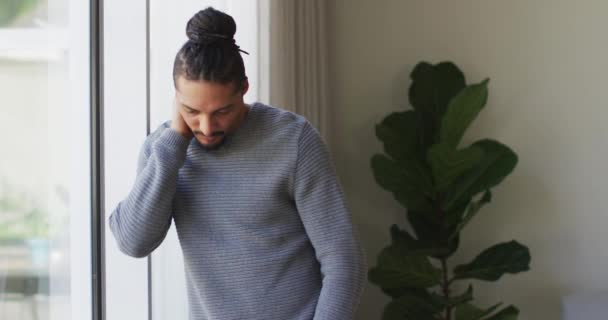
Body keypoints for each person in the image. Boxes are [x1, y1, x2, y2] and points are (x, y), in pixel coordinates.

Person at [109, 6, 366, 320]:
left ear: (244, 88)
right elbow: (133, 242)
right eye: (191, 111)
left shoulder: (293, 139)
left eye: (221, 112)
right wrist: (176, 141)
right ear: (175, 97)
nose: (205, 127)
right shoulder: (164, 150)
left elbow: (343, 262)